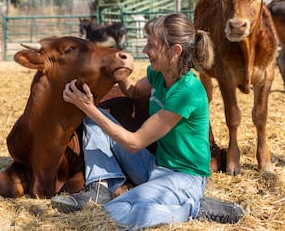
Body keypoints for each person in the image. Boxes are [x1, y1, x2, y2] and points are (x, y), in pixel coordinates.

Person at [51, 13, 245, 229]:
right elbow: (133, 91)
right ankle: (99, 189)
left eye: (151, 45)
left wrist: (86, 105)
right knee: (93, 119)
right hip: (155, 167)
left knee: (118, 213)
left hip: (184, 179)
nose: (145, 50)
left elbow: (135, 142)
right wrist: (120, 70)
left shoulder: (188, 92)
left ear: (175, 51)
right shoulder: (159, 74)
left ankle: (194, 208)